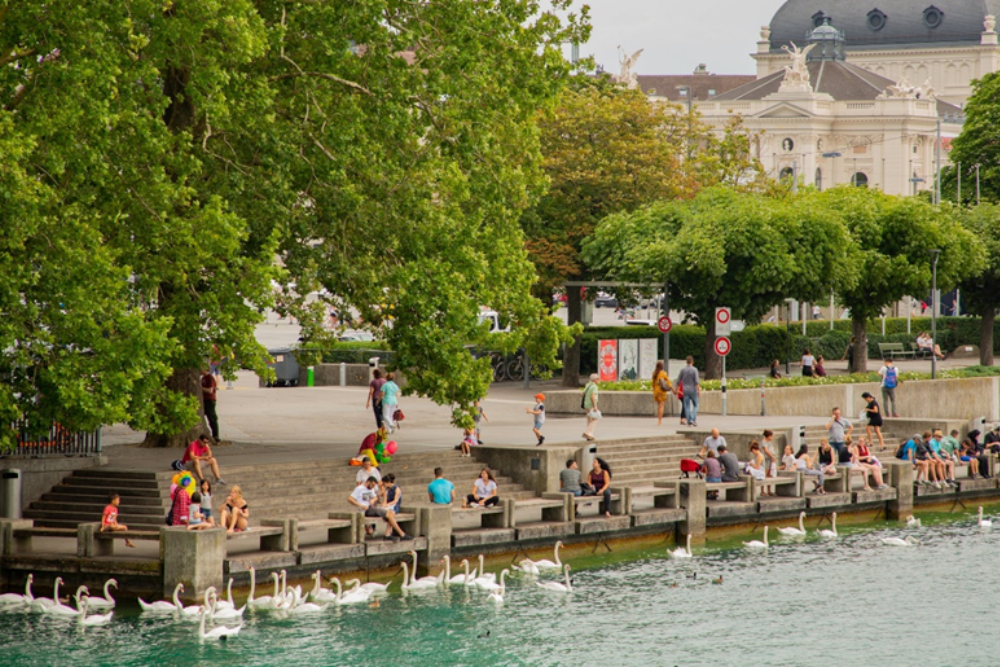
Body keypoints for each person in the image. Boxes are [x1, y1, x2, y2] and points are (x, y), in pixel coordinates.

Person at [378, 474, 413, 541]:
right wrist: (384, 505)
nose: (384, 485)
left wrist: (388, 504)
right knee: (389, 515)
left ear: (388, 482)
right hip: (388, 507)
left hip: (394, 506)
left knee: (391, 514)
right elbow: (385, 500)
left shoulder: (397, 489)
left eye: (384, 483)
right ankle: (395, 534)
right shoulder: (386, 490)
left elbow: (395, 501)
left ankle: (390, 534)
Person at [675, 356, 700, 427]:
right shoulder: (695, 370)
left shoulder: (682, 370)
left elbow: (678, 381)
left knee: (687, 406)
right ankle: (693, 419)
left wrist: (677, 389)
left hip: (685, 390)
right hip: (693, 389)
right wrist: (699, 390)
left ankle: (689, 420)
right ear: (692, 362)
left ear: (686, 362)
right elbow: (696, 382)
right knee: (696, 405)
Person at [651, 360, 673, 426]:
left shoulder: (654, 373)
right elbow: (668, 383)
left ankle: (659, 419)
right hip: (662, 391)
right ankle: (659, 421)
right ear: (662, 367)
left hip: (656, 391)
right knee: (661, 406)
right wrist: (672, 389)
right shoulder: (663, 373)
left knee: (659, 406)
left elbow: (653, 384)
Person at [201, 368, 220, 441]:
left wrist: (200, 388)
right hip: (204, 400)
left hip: (209, 400)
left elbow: (210, 390)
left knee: (212, 418)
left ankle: (216, 435)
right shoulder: (203, 378)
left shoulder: (210, 378)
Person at [582, 374, 601, 441]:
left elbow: (582, 394)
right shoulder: (594, 386)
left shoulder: (588, 385)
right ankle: (588, 432)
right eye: (598, 379)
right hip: (591, 405)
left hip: (586, 404)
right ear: (594, 379)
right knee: (596, 418)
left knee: (589, 419)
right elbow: (592, 397)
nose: (599, 380)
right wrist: (595, 406)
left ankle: (590, 435)